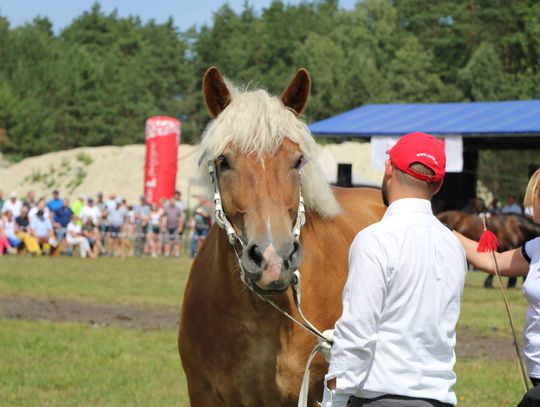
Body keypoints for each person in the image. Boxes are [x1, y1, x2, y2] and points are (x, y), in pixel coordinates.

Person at [322, 132, 467, 407]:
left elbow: (357, 332)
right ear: (437, 186)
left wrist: (335, 397)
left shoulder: (374, 239)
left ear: (389, 169)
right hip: (438, 398)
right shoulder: (453, 245)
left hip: (380, 397)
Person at [454, 168, 540, 405]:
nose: (530, 206)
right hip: (537, 368)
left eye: (534, 197)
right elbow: (497, 261)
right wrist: (448, 233)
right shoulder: (536, 247)